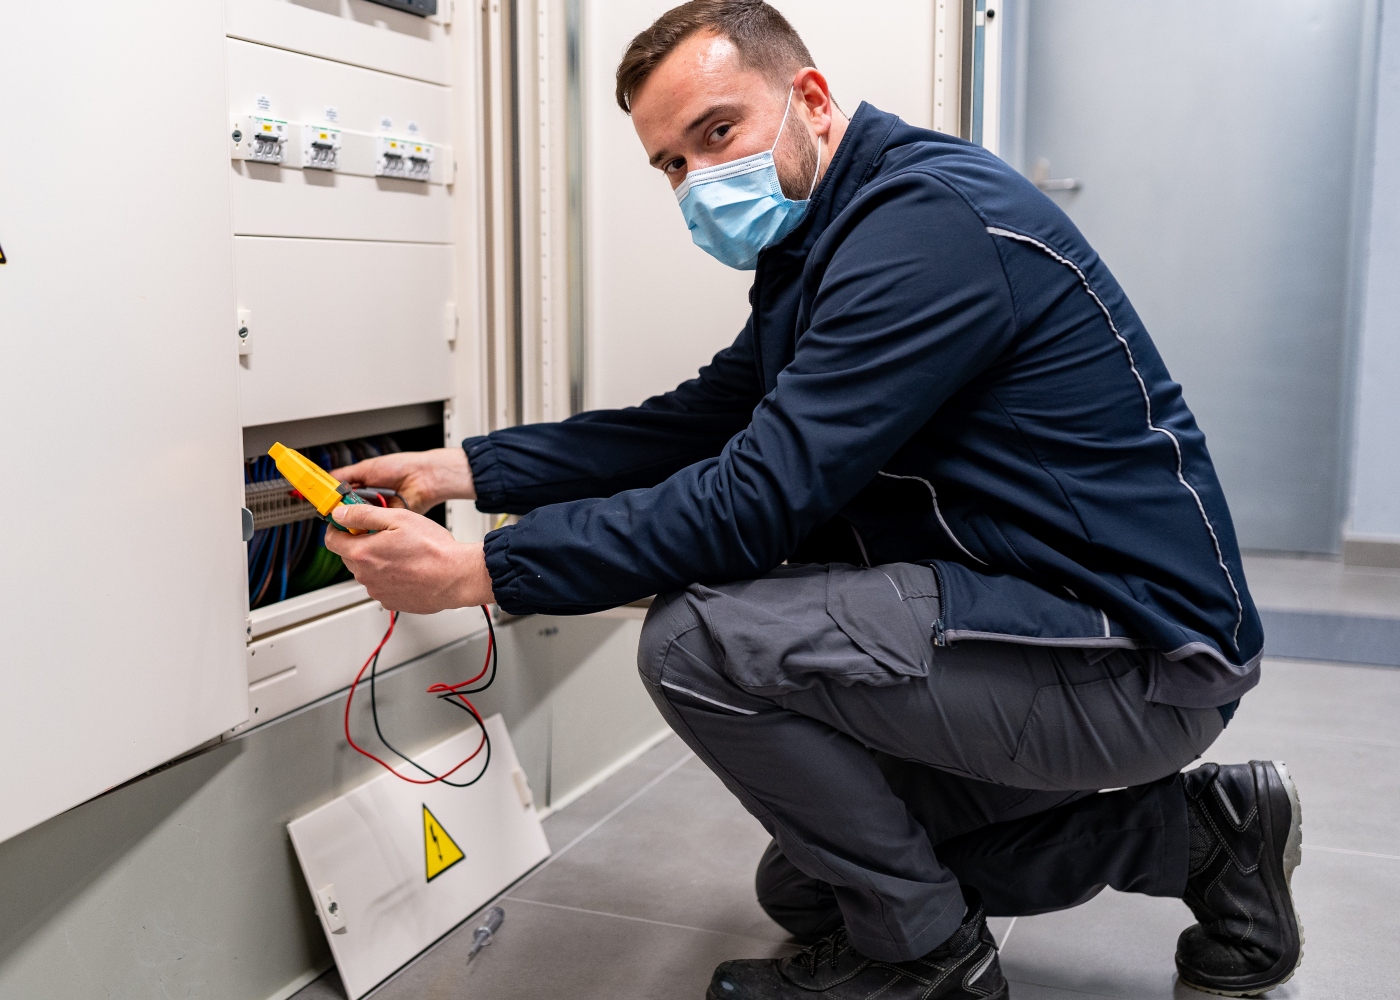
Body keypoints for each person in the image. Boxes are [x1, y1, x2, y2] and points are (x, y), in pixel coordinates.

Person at [324, 3, 1303, 997]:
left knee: (694, 642)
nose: (698, 180)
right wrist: (467, 469)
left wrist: (485, 570)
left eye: (717, 132)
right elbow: (693, 422)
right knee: (811, 886)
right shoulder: (826, 243)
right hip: (1034, 619)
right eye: (670, 163)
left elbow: (753, 499)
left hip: (1129, 653)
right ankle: (1200, 836)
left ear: (811, 98)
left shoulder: (927, 228)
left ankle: (930, 961)